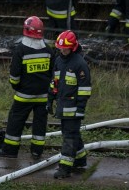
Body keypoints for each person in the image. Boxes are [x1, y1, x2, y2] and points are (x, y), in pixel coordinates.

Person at [0, 16, 52, 159]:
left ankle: (10, 151)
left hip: (24, 95)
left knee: (16, 121)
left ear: (26, 30)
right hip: (43, 95)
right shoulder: (49, 50)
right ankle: (37, 151)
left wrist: (16, 86)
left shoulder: (21, 49)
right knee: (40, 123)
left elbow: (14, 75)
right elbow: (53, 73)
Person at [48, 30, 91, 179]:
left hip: (73, 109)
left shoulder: (80, 64)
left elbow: (85, 90)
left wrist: (80, 109)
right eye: (60, 48)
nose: (62, 50)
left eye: (65, 48)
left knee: (69, 137)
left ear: (72, 47)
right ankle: (80, 160)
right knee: (72, 134)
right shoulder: (59, 61)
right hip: (62, 106)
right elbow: (55, 82)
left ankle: (65, 168)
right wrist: (50, 99)